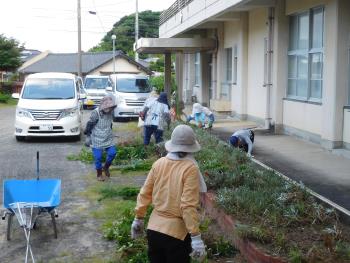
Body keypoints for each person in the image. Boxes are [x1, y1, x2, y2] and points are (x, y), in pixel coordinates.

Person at [131, 124, 207, 263]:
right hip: (177, 235)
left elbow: (145, 193)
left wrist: (139, 218)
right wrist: (196, 237)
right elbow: (188, 205)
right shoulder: (190, 168)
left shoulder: (159, 163)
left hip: (154, 230)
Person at [84, 95, 117, 181]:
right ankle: (99, 174)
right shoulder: (96, 113)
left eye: (110, 108)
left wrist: (110, 130)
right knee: (98, 158)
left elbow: (110, 123)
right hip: (97, 139)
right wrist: (88, 136)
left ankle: (106, 167)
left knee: (112, 153)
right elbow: (90, 124)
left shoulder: (111, 112)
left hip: (108, 138)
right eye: (107, 108)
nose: (109, 109)